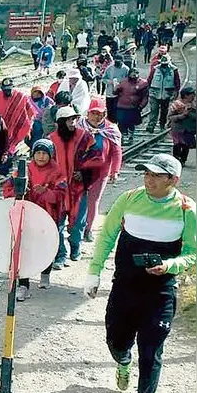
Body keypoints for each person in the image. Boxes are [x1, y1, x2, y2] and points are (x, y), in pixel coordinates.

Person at [83, 153, 196, 393]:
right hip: (124, 286)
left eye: (157, 175)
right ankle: (122, 360)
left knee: (151, 350)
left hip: (160, 293)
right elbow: (107, 235)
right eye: (146, 173)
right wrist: (94, 272)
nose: (149, 180)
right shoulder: (129, 198)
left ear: (173, 180)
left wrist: (170, 265)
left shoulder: (186, 209)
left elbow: (194, 254)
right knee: (116, 340)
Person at [3, 139, 67, 299]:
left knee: (46, 246)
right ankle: (24, 285)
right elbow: (8, 189)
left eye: (45, 153)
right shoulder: (24, 169)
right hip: (26, 216)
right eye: (38, 152)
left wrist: (46, 193)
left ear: (51, 155)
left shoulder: (58, 171)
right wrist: (20, 192)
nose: (41, 156)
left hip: (48, 216)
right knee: (24, 248)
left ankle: (45, 273)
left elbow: (62, 195)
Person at [48, 106, 103, 266]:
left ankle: (75, 247)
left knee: (77, 223)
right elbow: (43, 162)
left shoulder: (85, 137)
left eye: (74, 119)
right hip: (57, 190)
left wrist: (85, 174)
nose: (73, 123)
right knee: (56, 223)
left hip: (78, 189)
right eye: (69, 120)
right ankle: (60, 255)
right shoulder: (50, 139)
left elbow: (96, 158)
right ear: (60, 122)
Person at [77, 98, 122, 242]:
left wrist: (115, 171)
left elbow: (116, 151)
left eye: (100, 114)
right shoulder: (79, 126)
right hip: (81, 171)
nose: (97, 117)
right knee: (78, 200)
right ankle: (77, 227)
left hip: (101, 171)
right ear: (88, 113)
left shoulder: (111, 129)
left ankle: (88, 229)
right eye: (94, 113)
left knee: (93, 201)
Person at [0, 78, 38, 171]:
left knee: (9, 148)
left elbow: (30, 112)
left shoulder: (21, 97)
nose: (7, 92)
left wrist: (27, 128)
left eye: (9, 89)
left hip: (14, 128)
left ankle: (4, 169)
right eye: (5, 90)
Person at [145, 55, 181, 133]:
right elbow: (149, 80)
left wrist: (176, 92)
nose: (164, 65)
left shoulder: (174, 70)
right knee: (154, 110)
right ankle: (151, 125)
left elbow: (177, 82)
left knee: (164, 111)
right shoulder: (155, 69)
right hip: (154, 93)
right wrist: (147, 91)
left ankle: (162, 125)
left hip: (167, 94)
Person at [115, 66, 149, 145]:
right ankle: (122, 137)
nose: (134, 75)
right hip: (121, 106)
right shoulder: (123, 82)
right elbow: (115, 93)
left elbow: (145, 97)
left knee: (131, 123)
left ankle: (130, 137)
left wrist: (141, 106)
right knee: (121, 123)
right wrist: (116, 89)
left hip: (133, 107)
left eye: (136, 73)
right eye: (132, 73)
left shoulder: (143, 84)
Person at [167, 87, 196, 166]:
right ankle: (176, 160)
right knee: (177, 144)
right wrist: (182, 116)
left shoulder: (194, 104)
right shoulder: (176, 105)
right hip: (178, 129)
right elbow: (170, 117)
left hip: (189, 129)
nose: (193, 96)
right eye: (192, 94)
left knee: (186, 145)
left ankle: (183, 160)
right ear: (186, 96)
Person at [101, 55, 130, 123]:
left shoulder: (126, 69)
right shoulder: (109, 68)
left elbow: (129, 80)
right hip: (110, 93)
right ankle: (110, 124)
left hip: (121, 94)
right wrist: (110, 82)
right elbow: (103, 79)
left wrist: (122, 84)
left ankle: (117, 124)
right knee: (110, 110)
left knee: (117, 110)